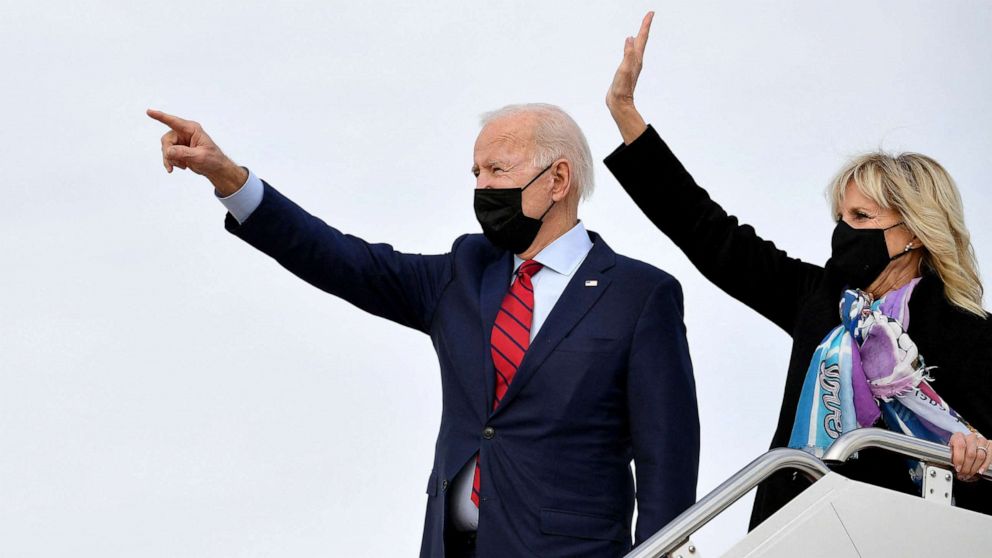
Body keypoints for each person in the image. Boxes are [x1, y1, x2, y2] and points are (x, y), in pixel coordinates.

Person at [147, 103, 699, 557]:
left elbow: (666, 461)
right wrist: (230, 179)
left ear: (558, 179)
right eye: (476, 173)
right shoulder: (464, 273)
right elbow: (346, 261)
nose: (482, 187)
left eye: (498, 171)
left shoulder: (640, 295)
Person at [602, 13, 992, 527]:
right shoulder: (820, 299)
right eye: (839, 218)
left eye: (861, 217)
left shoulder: (968, 330)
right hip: (799, 528)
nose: (844, 232)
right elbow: (711, 234)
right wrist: (626, 114)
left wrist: (977, 455)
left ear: (915, 231)